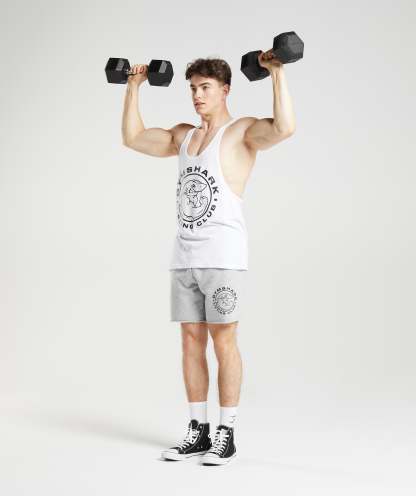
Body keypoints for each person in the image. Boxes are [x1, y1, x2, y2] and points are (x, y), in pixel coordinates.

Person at [121, 52, 296, 465]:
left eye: (205, 88)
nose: (197, 96)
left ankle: (226, 432)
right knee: (190, 341)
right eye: (193, 88)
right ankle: (197, 429)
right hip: (184, 256)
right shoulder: (183, 136)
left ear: (225, 90)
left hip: (223, 257)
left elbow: (284, 127)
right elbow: (133, 138)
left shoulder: (241, 132)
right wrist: (133, 87)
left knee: (224, 342)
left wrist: (276, 72)